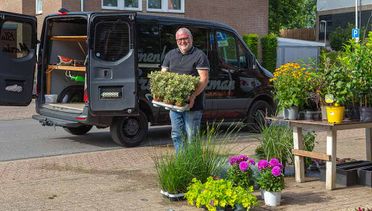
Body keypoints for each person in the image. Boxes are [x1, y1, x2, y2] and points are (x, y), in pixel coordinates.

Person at [161, 27, 210, 153]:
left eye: (185, 38)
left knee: (191, 137)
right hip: (174, 106)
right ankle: (181, 163)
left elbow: (203, 80)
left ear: (191, 39)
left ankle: (193, 165)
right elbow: (163, 76)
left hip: (192, 106)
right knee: (177, 135)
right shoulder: (170, 55)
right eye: (180, 39)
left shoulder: (199, 56)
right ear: (176, 41)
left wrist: (193, 96)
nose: (183, 41)